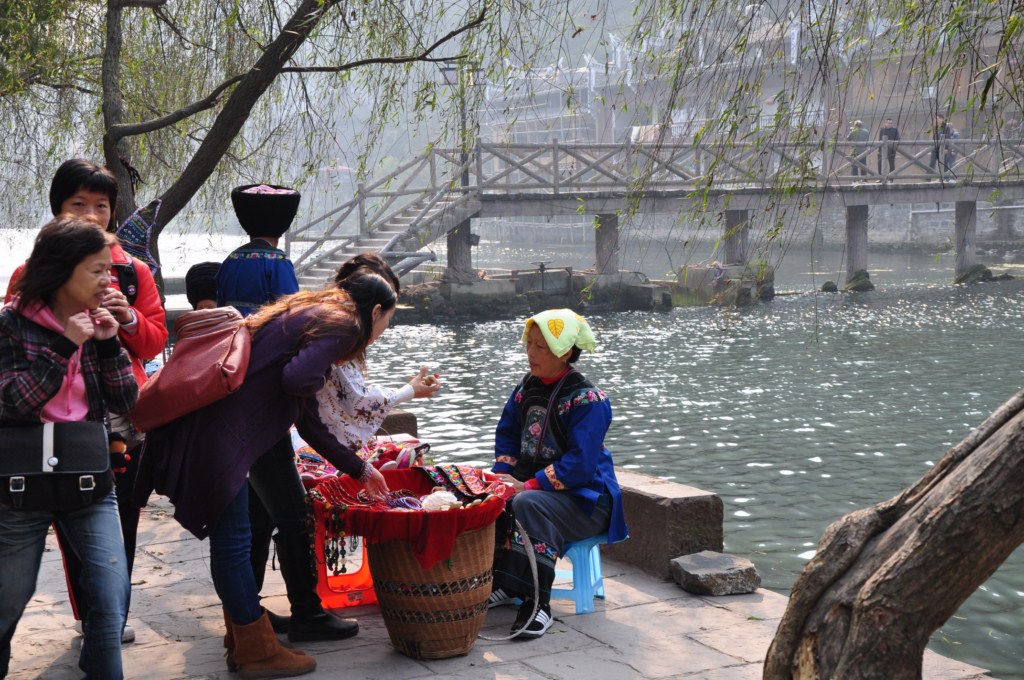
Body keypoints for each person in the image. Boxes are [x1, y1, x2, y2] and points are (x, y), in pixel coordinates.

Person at [134, 272, 407, 677]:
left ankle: (243, 636)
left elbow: (308, 418)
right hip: (222, 436)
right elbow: (297, 380)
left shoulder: (310, 313)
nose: (381, 332)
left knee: (235, 538)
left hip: (214, 427)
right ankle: (255, 651)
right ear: (377, 311)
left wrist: (361, 469)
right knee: (233, 541)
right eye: (386, 322)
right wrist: (317, 378)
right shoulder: (345, 324)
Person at [3, 159, 167, 644]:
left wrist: (128, 321)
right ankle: (88, 616)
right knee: (64, 516)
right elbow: (17, 345)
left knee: (116, 521)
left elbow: (155, 342)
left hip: (119, 415)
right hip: (50, 420)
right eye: (79, 204)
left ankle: (109, 612)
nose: (93, 215)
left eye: (102, 206)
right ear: (57, 211)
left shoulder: (133, 273)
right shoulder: (31, 274)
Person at [0, 218, 138, 679]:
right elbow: (14, 402)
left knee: (110, 589)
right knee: (9, 597)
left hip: (88, 473)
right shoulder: (11, 325)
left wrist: (108, 344)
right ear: (62, 272)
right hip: (19, 484)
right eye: (97, 271)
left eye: (109, 271)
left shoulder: (98, 323)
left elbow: (126, 402)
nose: (108, 281)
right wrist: (64, 346)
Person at [487, 309, 628, 638]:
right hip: (539, 492)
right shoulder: (526, 389)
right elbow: (507, 434)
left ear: (565, 352)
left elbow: (580, 465)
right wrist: (502, 479)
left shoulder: (588, 400)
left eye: (541, 347)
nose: (531, 354)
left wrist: (528, 485)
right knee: (492, 499)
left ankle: (538, 604)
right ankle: (510, 585)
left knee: (527, 504)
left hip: (588, 501)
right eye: (530, 344)